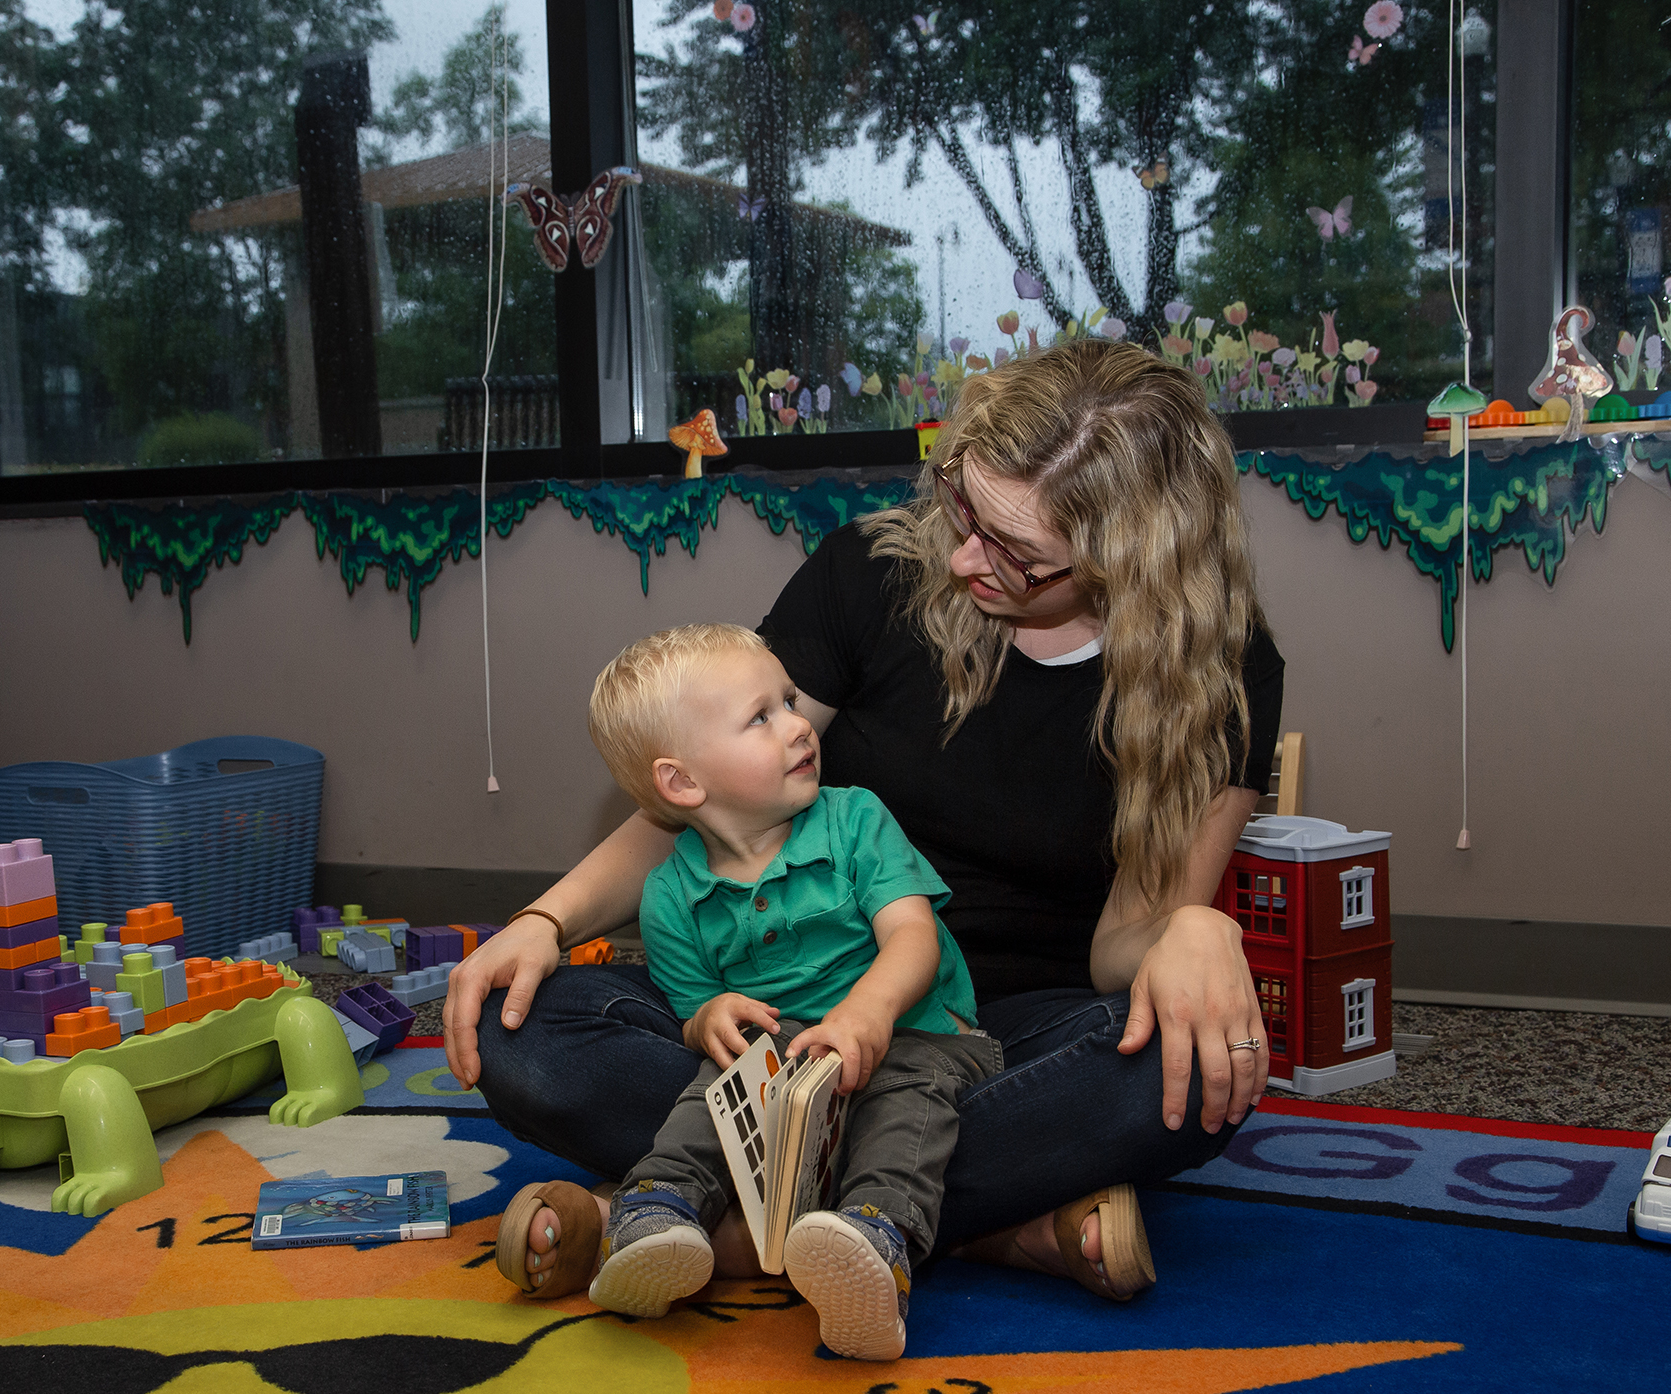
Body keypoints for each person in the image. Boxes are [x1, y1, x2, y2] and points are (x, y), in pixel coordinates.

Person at [451, 336, 1283, 1309]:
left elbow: (1124, 951)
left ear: (1136, 556)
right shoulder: (871, 572)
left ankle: (724, 1211)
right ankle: (981, 1224)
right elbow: (709, 800)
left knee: (1200, 1067)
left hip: (994, 1040)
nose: (967, 556)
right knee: (526, 1026)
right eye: (964, 507)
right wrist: (543, 924)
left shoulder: (1219, 669)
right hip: (787, 1008)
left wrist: (1194, 928)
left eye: (1017, 555)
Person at [540, 623, 1014, 1360]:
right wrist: (709, 1019)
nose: (800, 725)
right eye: (762, 717)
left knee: (908, 1100)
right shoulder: (669, 896)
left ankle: (872, 1243)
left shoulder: (856, 819)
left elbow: (913, 939)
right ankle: (658, 1210)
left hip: (919, 1033)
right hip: (788, 1057)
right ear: (683, 783)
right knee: (715, 1084)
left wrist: (867, 1013)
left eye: (789, 701)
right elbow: (694, 1011)